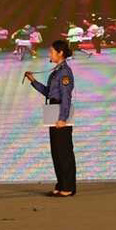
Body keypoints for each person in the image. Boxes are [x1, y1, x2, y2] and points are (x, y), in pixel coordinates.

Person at [24, 40, 77, 197]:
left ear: (60, 53)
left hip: (60, 111)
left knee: (64, 151)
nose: (49, 54)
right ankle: (61, 185)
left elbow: (66, 97)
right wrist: (33, 81)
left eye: (52, 51)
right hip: (53, 109)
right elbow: (49, 93)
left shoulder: (64, 72)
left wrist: (63, 118)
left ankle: (68, 187)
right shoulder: (57, 71)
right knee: (56, 151)